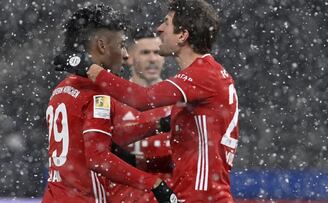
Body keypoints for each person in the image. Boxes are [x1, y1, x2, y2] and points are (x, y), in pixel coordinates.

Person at [55, 0, 239, 202]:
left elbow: (143, 99)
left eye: (166, 23)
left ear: (183, 35)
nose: (159, 29)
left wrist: (90, 68)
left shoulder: (203, 75)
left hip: (202, 197)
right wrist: (137, 160)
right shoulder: (203, 79)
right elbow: (186, 156)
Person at [44, 4, 177, 203]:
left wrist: (158, 125)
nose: (125, 55)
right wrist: (153, 183)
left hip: (55, 196)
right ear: (102, 46)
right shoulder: (98, 94)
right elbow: (98, 158)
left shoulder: (61, 89)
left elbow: (104, 136)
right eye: (121, 44)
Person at [109, 27, 173, 203]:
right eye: (145, 53)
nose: (153, 59)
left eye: (157, 53)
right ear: (129, 57)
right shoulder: (112, 101)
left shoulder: (178, 103)